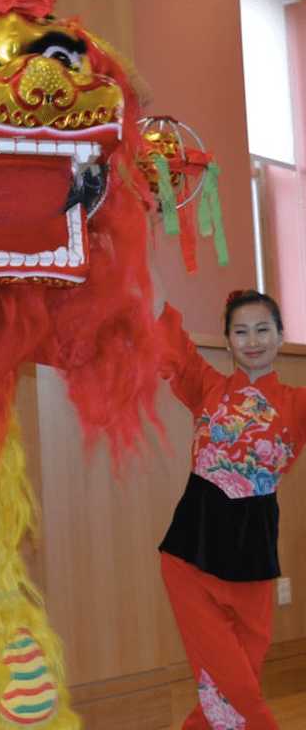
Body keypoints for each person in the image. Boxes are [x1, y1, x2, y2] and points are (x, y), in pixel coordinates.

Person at [156, 289, 306, 729]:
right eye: (241, 331)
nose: (253, 340)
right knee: (230, 681)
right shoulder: (207, 386)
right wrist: (148, 284)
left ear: (280, 337)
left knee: (230, 684)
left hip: (254, 557)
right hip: (190, 551)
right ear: (227, 341)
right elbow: (171, 340)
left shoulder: (297, 403)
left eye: (263, 329)